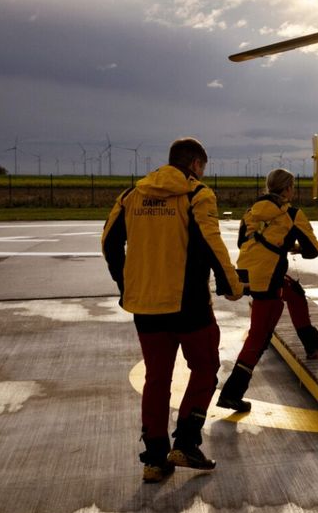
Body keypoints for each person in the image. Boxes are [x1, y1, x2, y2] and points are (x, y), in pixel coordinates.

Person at [102, 137, 243, 484]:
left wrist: (126, 286)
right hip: (189, 305)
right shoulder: (196, 194)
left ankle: (153, 459)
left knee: (157, 378)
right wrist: (232, 286)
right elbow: (213, 244)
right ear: (195, 164)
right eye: (202, 167)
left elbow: (108, 243)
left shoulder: (132, 195)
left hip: (146, 307)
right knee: (206, 368)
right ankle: (186, 441)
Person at [216, 168, 318, 413]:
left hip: (246, 274)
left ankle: (312, 344)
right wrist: (294, 247)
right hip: (268, 280)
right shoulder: (292, 214)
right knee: (259, 336)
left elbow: (241, 242)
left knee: (294, 292)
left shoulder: (251, 211)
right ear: (287, 189)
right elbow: (313, 250)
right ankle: (232, 393)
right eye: (293, 187)